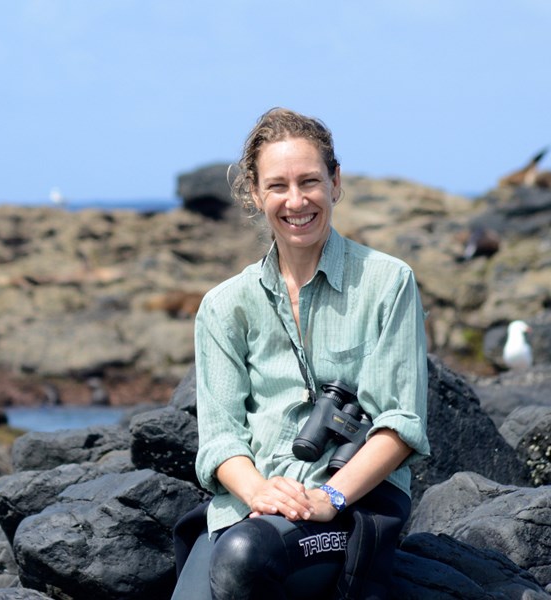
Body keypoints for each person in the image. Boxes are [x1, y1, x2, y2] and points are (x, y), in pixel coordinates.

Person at [171, 108, 430, 600]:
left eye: (310, 181)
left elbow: (400, 423)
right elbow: (221, 439)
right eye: (278, 186)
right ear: (254, 194)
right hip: (247, 507)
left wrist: (329, 497)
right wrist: (258, 492)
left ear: (335, 182)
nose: (296, 201)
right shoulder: (224, 306)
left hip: (349, 506)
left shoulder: (387, 282)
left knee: (245, 559)